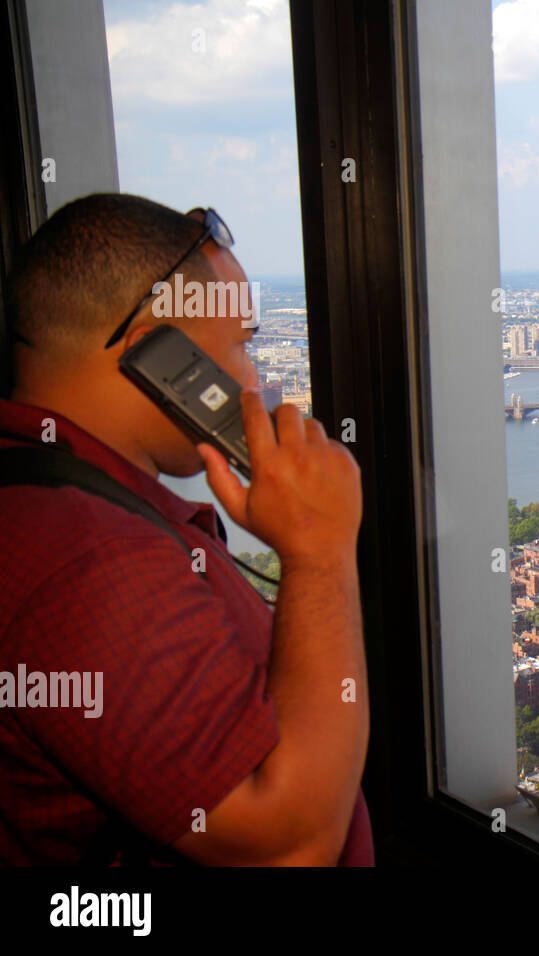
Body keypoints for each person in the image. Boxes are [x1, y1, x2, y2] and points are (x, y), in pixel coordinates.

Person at [0, 193, 371, 865]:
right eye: (239, 346)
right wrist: (321, 549)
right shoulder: (93, 561)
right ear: (160, 359)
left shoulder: (48, 503)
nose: (253, 380)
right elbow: (289, 848)